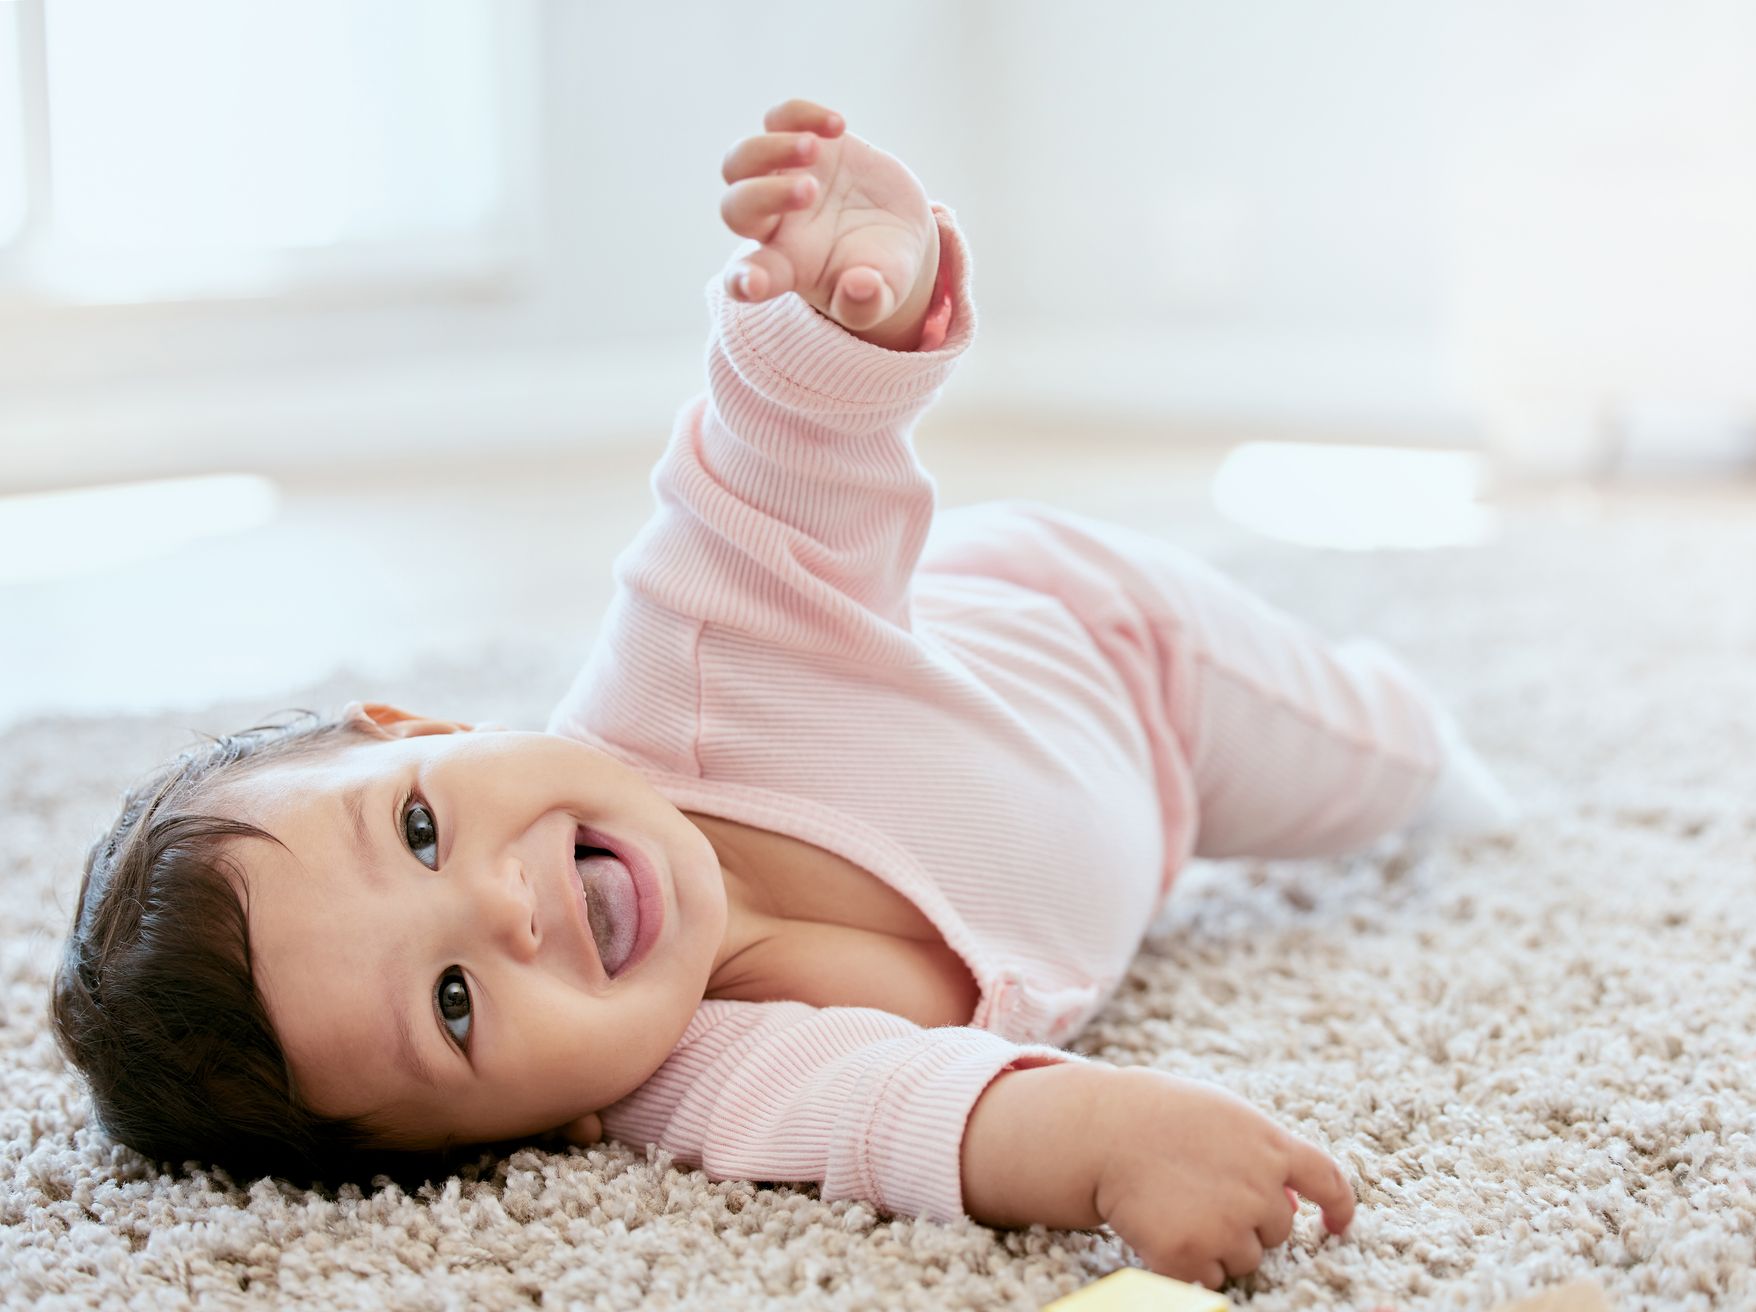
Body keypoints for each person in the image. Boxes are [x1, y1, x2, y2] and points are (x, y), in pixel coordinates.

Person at [50, 98, 1514, 1291]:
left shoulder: (682, 670)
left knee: (1382, 769)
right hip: (1119, 844)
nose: (507, 914)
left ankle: (1451, 753)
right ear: (522, 1127)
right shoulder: (688, 1082)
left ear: (428, 731)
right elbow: (907, 1117)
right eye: (452, 1005)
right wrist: (1113, 1134)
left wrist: (832, 306)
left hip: (1115, 650)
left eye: (422, 834)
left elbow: (763, 475)